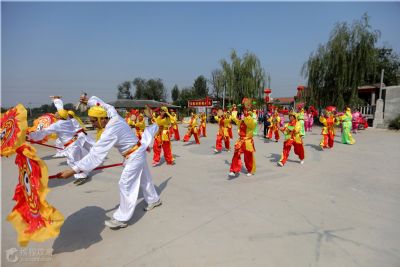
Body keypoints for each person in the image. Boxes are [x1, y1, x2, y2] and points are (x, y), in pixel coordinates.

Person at [59, 96, 162, 229]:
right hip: (137, 152)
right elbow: (103, 104)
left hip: (135, 155)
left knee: (125, 184)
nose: (93, 124)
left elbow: (96, 154)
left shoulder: (110, 130)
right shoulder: (113, 115)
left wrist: (74, 169)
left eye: (94, 121)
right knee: (144, 179)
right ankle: (154, 199)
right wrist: (88, 101)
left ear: (102, 119)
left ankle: (122, 218)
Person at [28, 97, 91, 186]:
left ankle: (83, 175)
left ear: (60, 116)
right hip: (74, 143)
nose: (56, 113)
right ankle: (81, 174)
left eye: (57, 113)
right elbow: (61, 110)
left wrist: (30, 136)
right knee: (75, 160)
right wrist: (56, 100)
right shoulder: (68, 120)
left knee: (73, 161)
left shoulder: (57, 125)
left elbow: (44, 131)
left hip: (71, 146)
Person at [228, 106, 256, 177]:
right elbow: (234, 119)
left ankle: (250, 169)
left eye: (246, 111)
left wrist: (247, 116)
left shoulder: (252, 120)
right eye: (244, 111)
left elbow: (251, 125)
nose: (244, 112)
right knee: (236, 154)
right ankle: (234, 170)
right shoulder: (241, 120)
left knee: (248, 156)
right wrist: (234, 110)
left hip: (248, 141)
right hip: (240, 141)